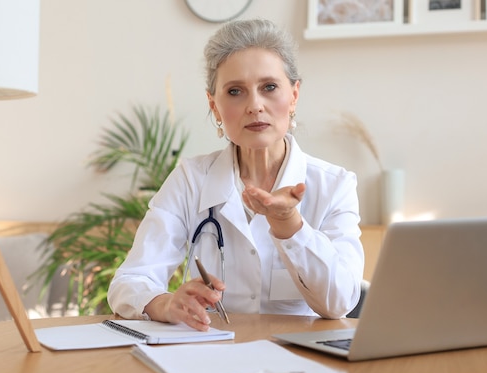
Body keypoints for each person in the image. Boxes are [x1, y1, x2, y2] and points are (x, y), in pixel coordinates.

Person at [107, 19, 364, 331]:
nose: (255, 106)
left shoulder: (334, 185)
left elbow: (340, 302)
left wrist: (289, 225)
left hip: (301, 362)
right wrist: (165, 303)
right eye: (235, 91)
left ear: (294, 95)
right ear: (214, 106)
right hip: (211, 357)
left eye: (269, 87)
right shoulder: (190, 179)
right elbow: (130, 280)